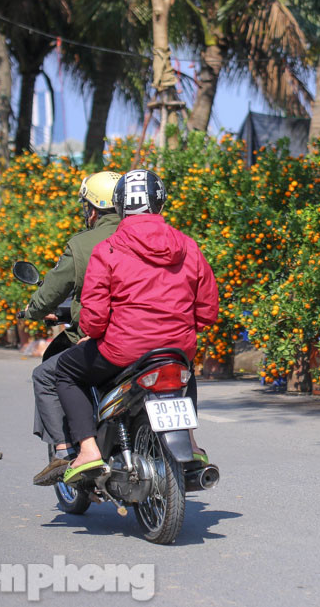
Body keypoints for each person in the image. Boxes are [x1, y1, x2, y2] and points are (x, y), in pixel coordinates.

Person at [51, 169, 219, 485]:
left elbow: (95, 317)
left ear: (119, 205)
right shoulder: (188, 246)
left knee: (65, 372)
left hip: (122, 350)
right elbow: (208, 311)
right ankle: (192, 443)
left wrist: (89, 330)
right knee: (185, 368)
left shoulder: (108, 248)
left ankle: (87, 450)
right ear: (160, 202)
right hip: (175, 348)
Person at [27, 171, 122, 486]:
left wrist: (33, 310)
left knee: (50, 375)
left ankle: (69, 451)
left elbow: (55, 290)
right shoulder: (148, 238)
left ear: (93, 208)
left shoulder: (83, 245)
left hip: (107, 339)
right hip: (160, 337)